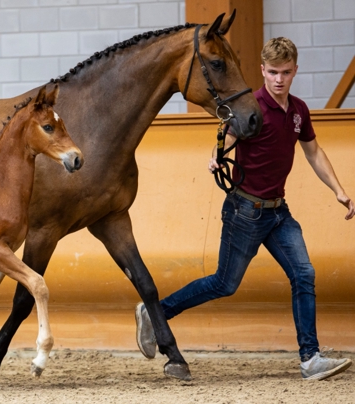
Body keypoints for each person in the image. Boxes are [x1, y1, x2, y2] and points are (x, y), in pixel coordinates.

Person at [135, 37, 354, 380]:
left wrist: (339, 190)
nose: (279, 79)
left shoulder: (298, 110)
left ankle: (310, 359)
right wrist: (214, 157)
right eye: (272, 72)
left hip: (278, 212)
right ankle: (156, 313)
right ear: (262, 71)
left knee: (304, 275)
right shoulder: (252, 107)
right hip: (245, 211)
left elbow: (313, 152)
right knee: (224, 284)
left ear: (295, 71)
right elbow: (227, 140)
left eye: (285, 72)